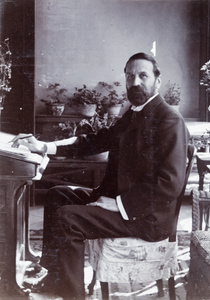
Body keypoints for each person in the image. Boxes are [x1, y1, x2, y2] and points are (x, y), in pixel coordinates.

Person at [12, 52, 190, 300]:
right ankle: (55, 279)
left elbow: (169, 185)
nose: (135, 82)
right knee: (57, 195)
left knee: (67, 218)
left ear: (157, 81)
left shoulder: (169, 119)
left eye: (143, 75)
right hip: (122, 203)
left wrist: (118, 204)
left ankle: (72, 295)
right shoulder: (133, 113)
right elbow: (94, 141)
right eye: (130, 76)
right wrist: (44, 146)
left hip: (146, 217)